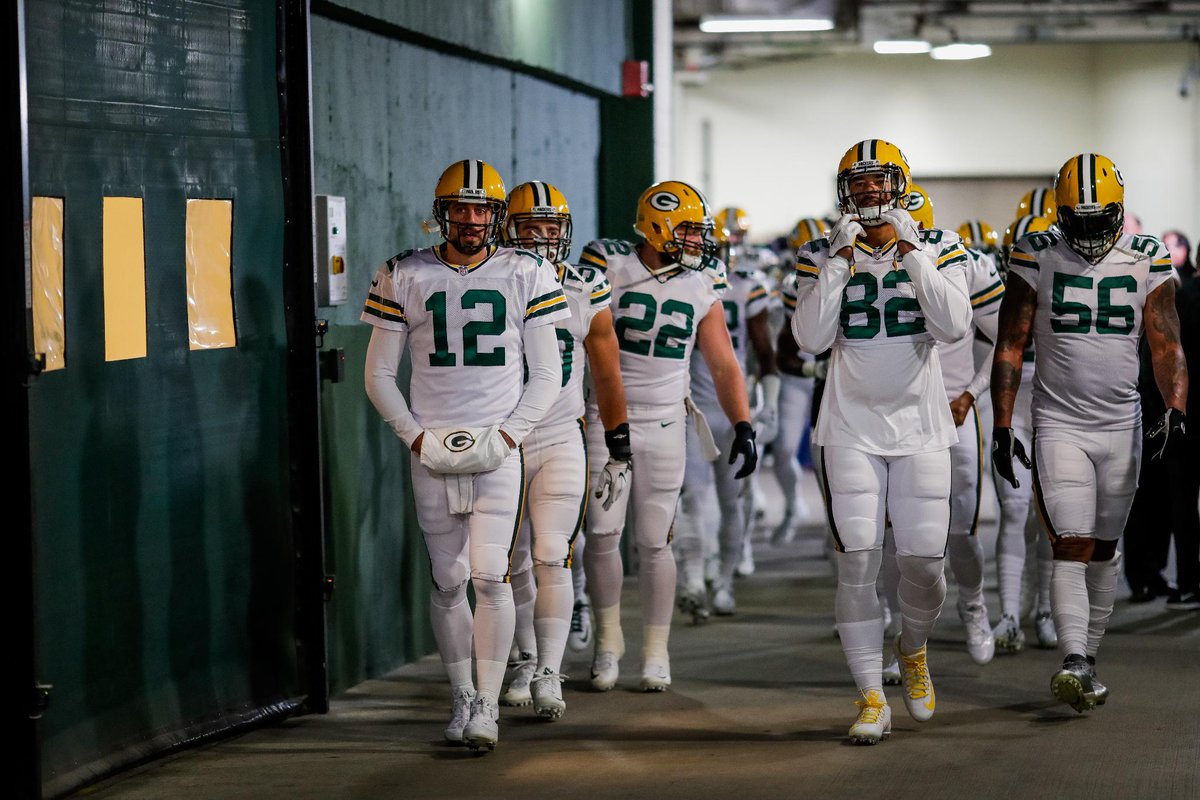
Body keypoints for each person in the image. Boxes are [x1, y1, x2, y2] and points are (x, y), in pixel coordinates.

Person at [362, 159, 569, 749]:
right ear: (442, 212)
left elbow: (548, 372)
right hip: (431, 444)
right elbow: (378, 374)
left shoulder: (525, 270)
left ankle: (487, 705)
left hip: (497, 443)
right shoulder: (404, 272)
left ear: (497, 215)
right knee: (448, 581)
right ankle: (461, 695)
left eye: (482, 209)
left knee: (490, 574)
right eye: (461, 208)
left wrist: (508, 436)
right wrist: (416, 436)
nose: (472, 219)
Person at [991, 153, 1188, 713]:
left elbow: (1167, 343)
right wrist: (1004, 425)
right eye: (1079, 220)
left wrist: (1175, 408)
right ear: (1060, 215)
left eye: (1102, 218)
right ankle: (1073, 658)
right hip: (1059, 421)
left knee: (1104, 549)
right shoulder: (1036, 252)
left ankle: (1088, 661)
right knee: (1070, 543)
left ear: (1119, 211)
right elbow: (1010, 344)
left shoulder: (1145, 256)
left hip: (1121, 421)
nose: (1092, 230)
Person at [791, 140, 972, 744]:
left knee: (924, 559)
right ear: (845, 190)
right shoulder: (820, 250)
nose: (870, 192)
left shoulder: (938, 243)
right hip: (848, 427)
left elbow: (953, 326)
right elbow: (811, 339)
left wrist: (913, 251)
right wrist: (840, 262)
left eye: (880, 181)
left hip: (921, 426)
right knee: (858, 560)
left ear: (900, 183)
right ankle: (871, 695)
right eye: (859, 183)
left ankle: (913, 648)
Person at [577, 180, 758, 692]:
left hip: (666, 421)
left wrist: (742, 421)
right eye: (685, 228)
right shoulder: (610, 267)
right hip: (604, 420)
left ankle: (656, 649)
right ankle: (609, 641)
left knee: (655, 542)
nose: (697, 240)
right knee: (604, 533)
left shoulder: (702, 282)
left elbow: (723, 363)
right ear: (656, 226)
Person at [496, 181, 629, 720]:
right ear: (510, 229)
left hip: (557, 433)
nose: (544, 237)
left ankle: (550, 671)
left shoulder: (585, 285)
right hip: (501, 438)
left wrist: (617, 438)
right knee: (511, 559)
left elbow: (605, 363)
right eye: (532, 227)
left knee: (552, 552)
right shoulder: (489, 278)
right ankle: (525, 661)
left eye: (553, 228)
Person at [909, 185, 1005, 666]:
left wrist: (971, 392)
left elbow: (1006, 336)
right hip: (897, 417)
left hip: (952, 410)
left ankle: (973, 604)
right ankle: (903, 635)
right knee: (897, 538)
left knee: (962, 530)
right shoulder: (860, 263)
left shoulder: (960, 261)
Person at [675, 211, 779, 620]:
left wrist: (763, 407)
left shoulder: (742, 290)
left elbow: (764, 356)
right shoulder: (684, 287)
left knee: (730, 503)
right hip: (693, 410)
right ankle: (696, 580)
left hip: (732, 407)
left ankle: (723, 582)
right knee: (697, 502)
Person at [991, 214, 1058, 652]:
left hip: (1055, 400)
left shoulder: (1073, 273)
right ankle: (1010, 613)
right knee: (1015, 510)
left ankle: (1046, 609)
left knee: (1050, 516)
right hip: (1012, 399)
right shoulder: (993, 282)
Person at [769, 217, 827, 546]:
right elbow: (784, 345)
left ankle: (831, 523)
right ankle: (793, 507)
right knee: (783, 448)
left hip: (832, 376)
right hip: (799, 374)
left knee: (826, 456)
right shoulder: (791, 284)